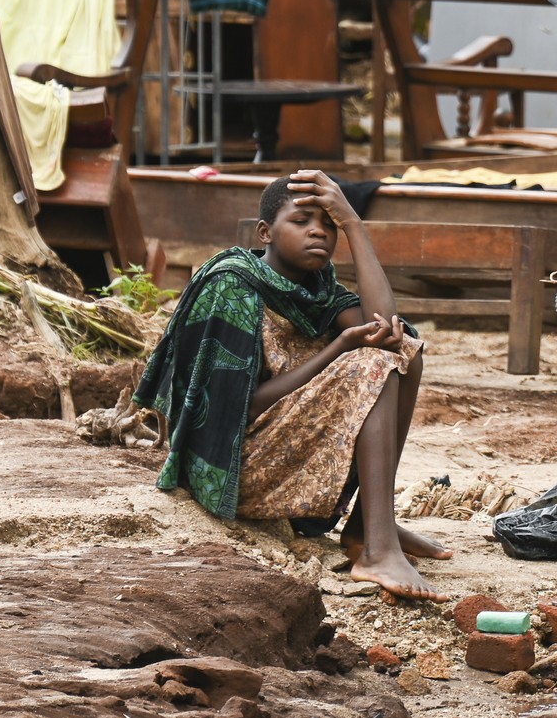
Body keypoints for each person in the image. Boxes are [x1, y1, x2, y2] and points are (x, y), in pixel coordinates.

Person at [134, 170, 450, 600]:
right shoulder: (231, 286)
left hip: (276, 448)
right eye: (301, 221)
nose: (317, 231)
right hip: (231, 466)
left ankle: (367, 526)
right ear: (266, 231)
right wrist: (335, 349)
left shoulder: (319, 292)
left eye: (328, 223)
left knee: (403, 352)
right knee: (370, 364)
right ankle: (378, 551)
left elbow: (387, 331)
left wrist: (354, 223)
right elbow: (233, 413)